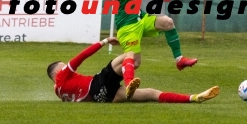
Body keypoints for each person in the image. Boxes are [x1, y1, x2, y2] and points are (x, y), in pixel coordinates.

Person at [47, 37, 220, 103]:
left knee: (152, 93)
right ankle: (130, 82)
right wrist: (104, 41)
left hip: (104, 98)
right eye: (63, 65)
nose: (66, 66)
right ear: (56, 73)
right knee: (129, 53)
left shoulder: (58, 90)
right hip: (97, 84)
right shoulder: (61, 76)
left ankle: (194, 98)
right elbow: (82, 56)